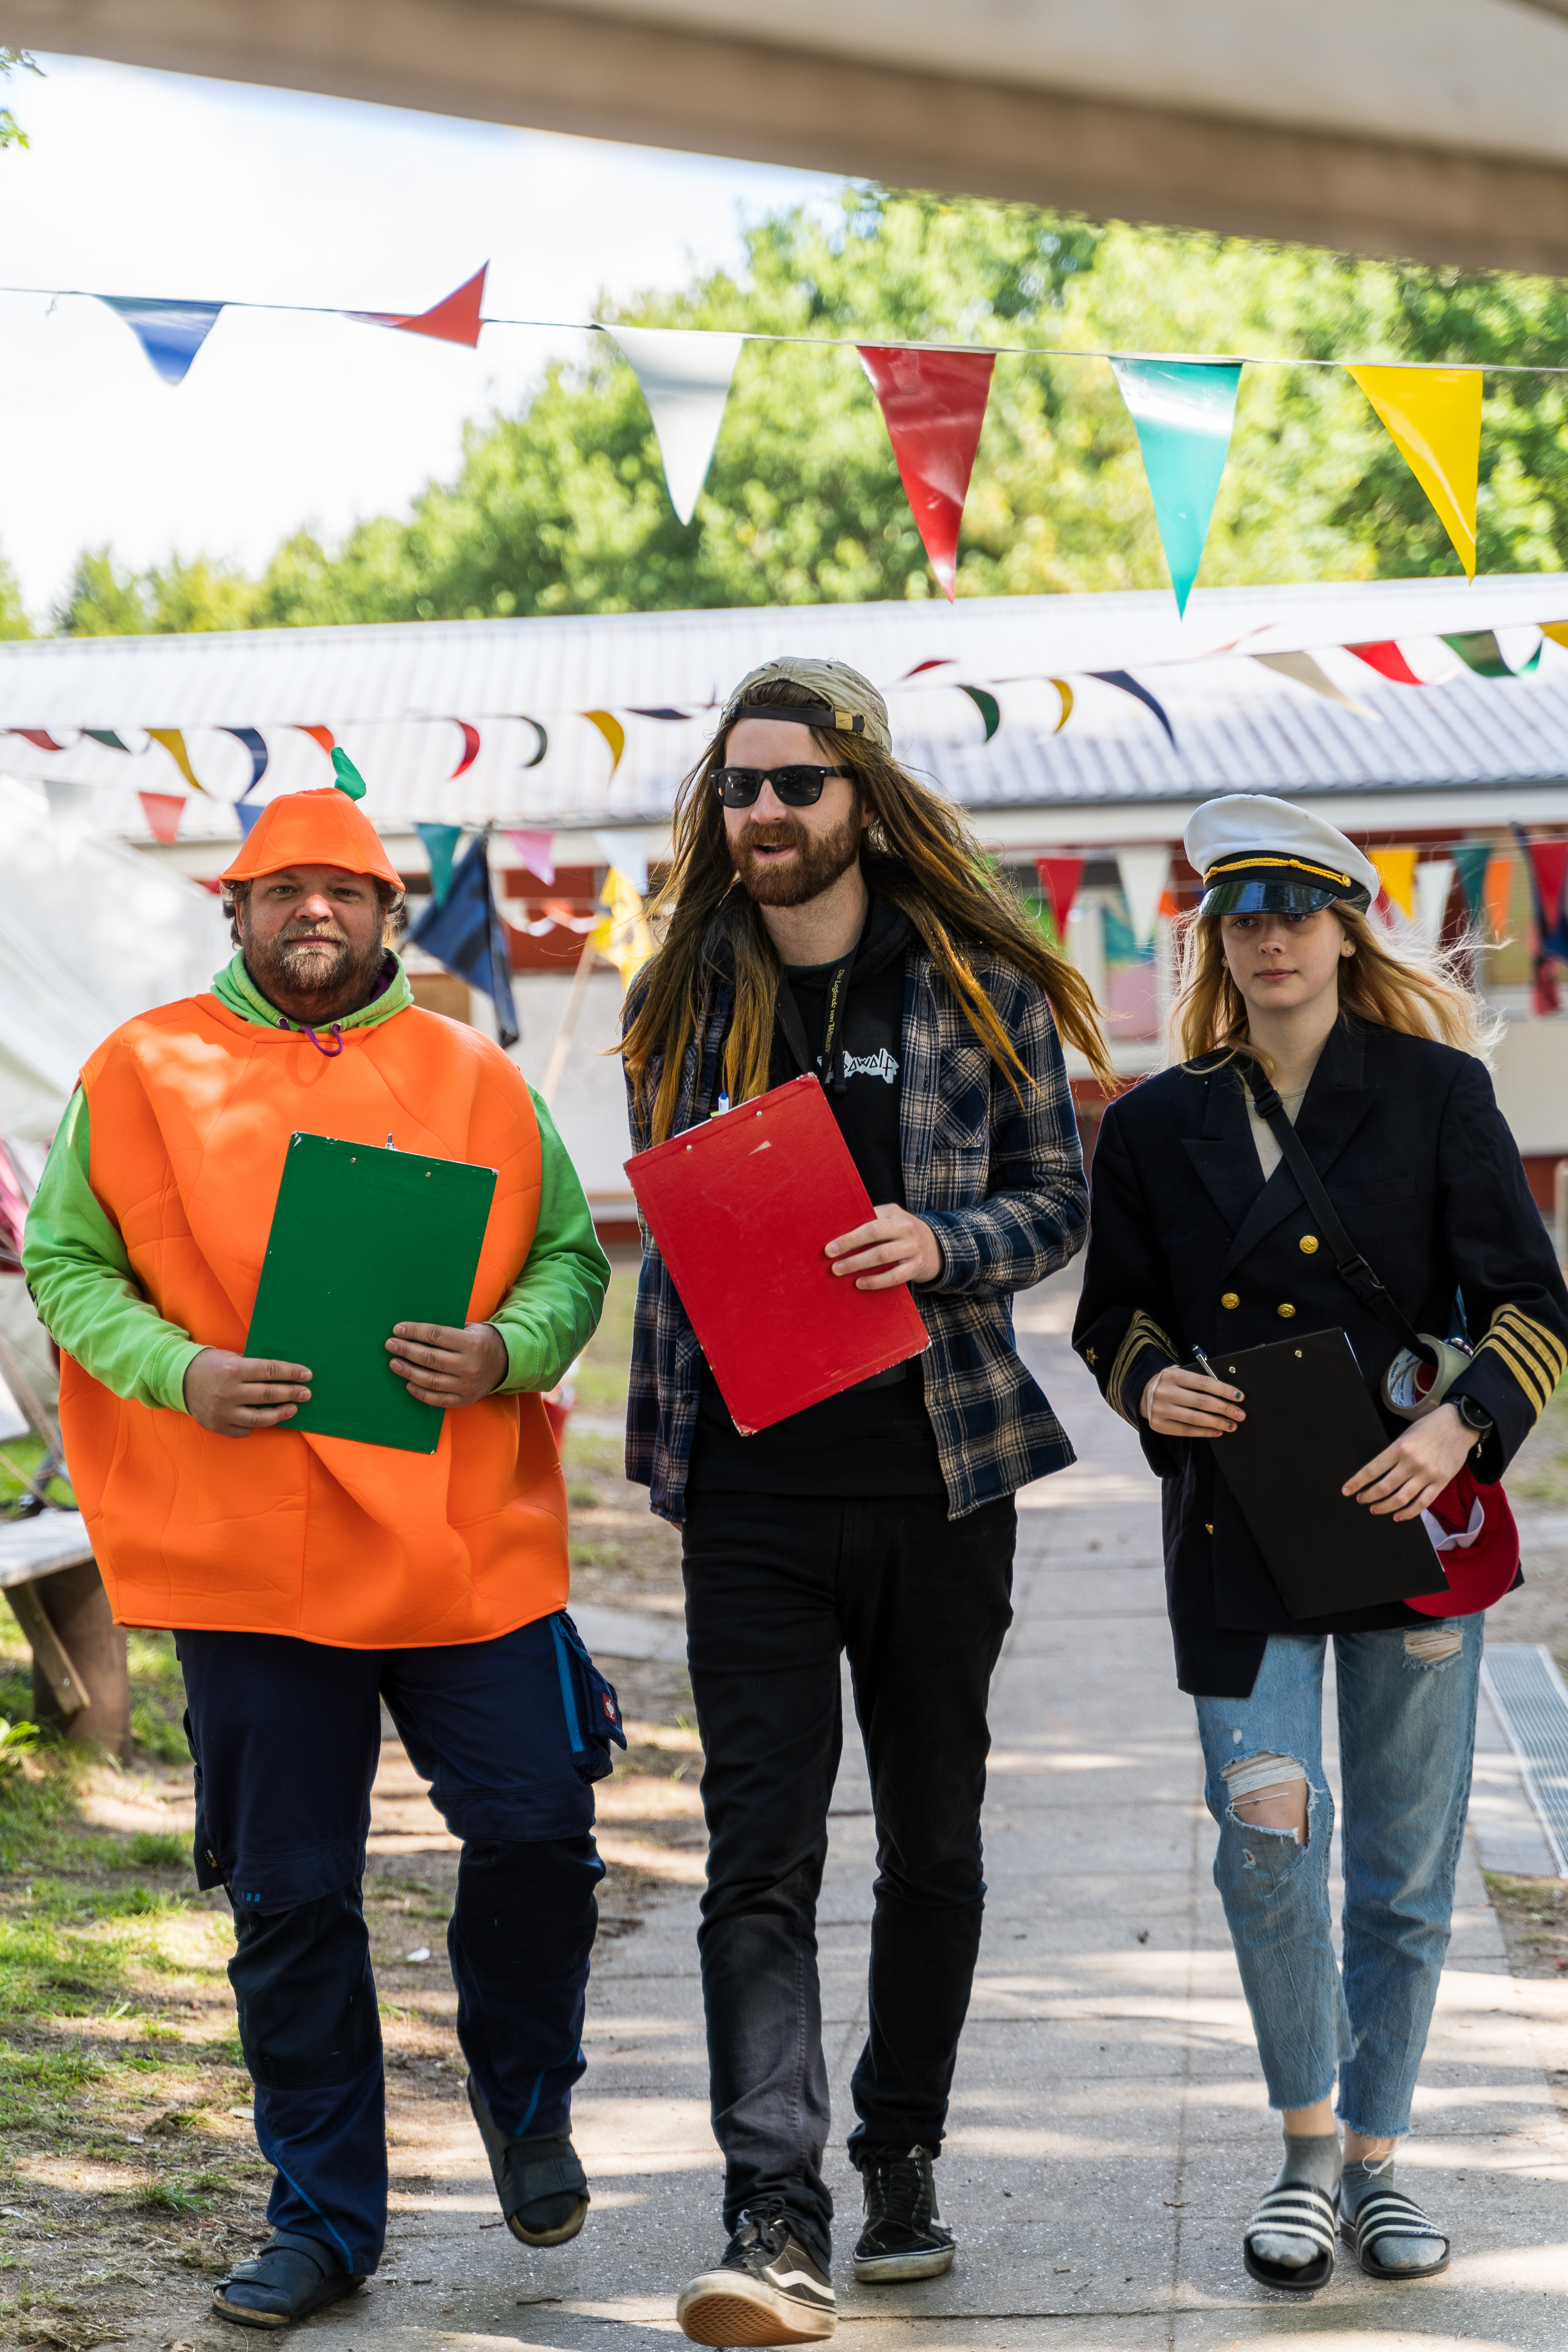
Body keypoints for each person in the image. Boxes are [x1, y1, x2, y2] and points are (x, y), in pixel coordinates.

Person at [22, 771, 614, 2332]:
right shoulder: (139, 1069)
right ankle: (322, 2216)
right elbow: (68, 1267)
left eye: (342, 890)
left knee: (543, 1831)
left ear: (385, 912)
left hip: (458, 1537)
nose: (313, 912)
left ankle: (524, 2093)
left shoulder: (479, 1073)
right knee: (290, 1897)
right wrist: (179, 1372)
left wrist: (503, 1351)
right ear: (234, 906)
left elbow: (567, 1258)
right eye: (283, 890)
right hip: (247, 1557)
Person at [620, 658, 1112, 2345]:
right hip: (747, 1489)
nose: (763, 813)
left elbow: (1056, 1201)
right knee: (754, 1860)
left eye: (796, 786)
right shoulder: (680, 995)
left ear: (862, 796)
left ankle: (898, 2150)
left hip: (938, 1481)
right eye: (739, 788)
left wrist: (940, 1245)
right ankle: (775, 2210)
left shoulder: (977, 989)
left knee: (934, 1845)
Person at [1073, 795, 1568, 2294]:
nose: (1272, 931)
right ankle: (1301, 2150)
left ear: (1349, 920)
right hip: (1239, 1533)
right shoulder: (1156, 1121)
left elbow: (1534, 1307)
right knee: (1268, 1847)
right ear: (1216, 935)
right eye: (1244, 909)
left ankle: (1378, 2161)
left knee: (1407, 1872)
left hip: (1408, 1531)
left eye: (1299, 904)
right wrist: (1146, 1380)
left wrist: (1459, 1427)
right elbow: (1115, 1319)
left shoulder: (1435, 1092)